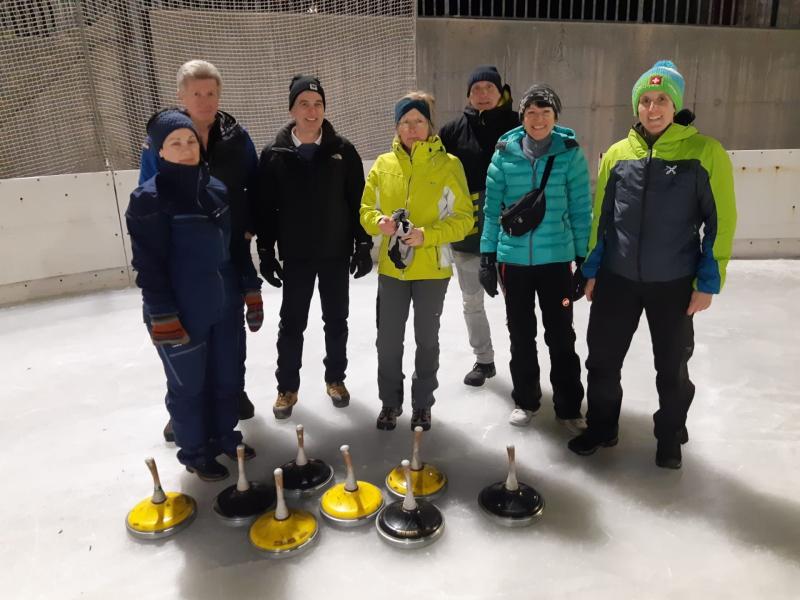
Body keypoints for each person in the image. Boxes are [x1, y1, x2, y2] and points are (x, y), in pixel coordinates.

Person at [568, 60, 737, 469]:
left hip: (674, 282)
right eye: (645, 100)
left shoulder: (704, 153)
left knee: (672, 367)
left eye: (661, 99)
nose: (653, 108)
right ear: (636, 107)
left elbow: (721, 220)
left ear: (675, 106)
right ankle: (602, 427)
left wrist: (708, 280)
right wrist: (591, 271)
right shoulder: (618, 154)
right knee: (602, 361)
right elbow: (601, 219)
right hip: (618, 279)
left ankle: (670, 437)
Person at [127, 110, 263, 481]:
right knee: (189, 387)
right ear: (159, 150)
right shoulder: (148, 200)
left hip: (224, 304)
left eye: (190, 140)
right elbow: (149, 267)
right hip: (181, 311)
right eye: (175, 143)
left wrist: (250, 288)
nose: (186, 148)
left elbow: (235, 247)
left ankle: (225, 437)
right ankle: (196, 453)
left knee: (227, 377)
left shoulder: (215, 189)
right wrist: (162, 314)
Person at [254, 75, 372, 420]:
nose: (312, 110)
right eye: (304, 103)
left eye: (318, 104)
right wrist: (265, 251)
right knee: (292, 324)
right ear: (292, 109)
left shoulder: (343, 150)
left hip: (335, 252)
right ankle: (286, 387)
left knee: (336, 320)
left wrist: (363, 243)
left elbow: (358, 201)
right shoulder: (274, 154)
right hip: (296, 255)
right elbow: (265, 208)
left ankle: (336, 379)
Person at [480, 83, 591, 431]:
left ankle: (569, 407)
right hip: (513, 263)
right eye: (531, 112)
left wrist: (583, 260)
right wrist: (487, 256)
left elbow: (581, 210)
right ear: (522, 116)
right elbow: (491, 211)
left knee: (561, 336)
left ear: (555, 117)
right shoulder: (503, 155)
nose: (538, 119)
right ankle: (525, 400)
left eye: (545, 112)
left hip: (556, 261)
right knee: (521, 335)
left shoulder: (569, 154)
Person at [360, 92, 473, 431]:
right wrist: (378, 223)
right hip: (393, 270)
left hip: (432, 270)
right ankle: (389, 402)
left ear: (429, 125)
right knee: (388, 341)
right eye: (405, 122)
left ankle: (422, 404)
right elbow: (365, 210)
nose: (412, 128)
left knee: (427, 340)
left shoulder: (449, 165)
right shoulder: (383, 165)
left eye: (418, 121)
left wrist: (427, 235)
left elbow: (464, 219)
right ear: (397, 127)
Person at [439, 66, 520, 387]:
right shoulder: (452, 131)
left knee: (518, 304)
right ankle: (484, 360)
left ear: (501, 92)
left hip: (513, 231)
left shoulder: (519, 126)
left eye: (489, 87)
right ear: (468, 95)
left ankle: (522, 363)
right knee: (472, 300)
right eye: (476, 89)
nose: (483, 94)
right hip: (468, 230)